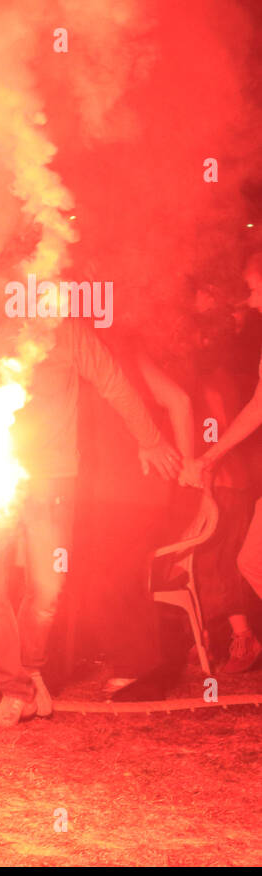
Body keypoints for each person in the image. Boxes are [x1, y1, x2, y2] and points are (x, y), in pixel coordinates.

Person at [0, 312, 181, 725]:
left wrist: (150, 440)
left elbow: (113, 382)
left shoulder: (65, 328)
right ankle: (16, 688)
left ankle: (28, 671)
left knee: (47, 588)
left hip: (52, 479)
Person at [184, 250, 262, 672]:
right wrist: (211, 458)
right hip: (244, 474)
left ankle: (242, 640)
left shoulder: (214, 372)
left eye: (253, 289)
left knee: (241, 558)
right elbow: (257, 407)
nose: (251, 301)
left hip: (242, 480)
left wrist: (212, 460)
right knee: (250, 559)